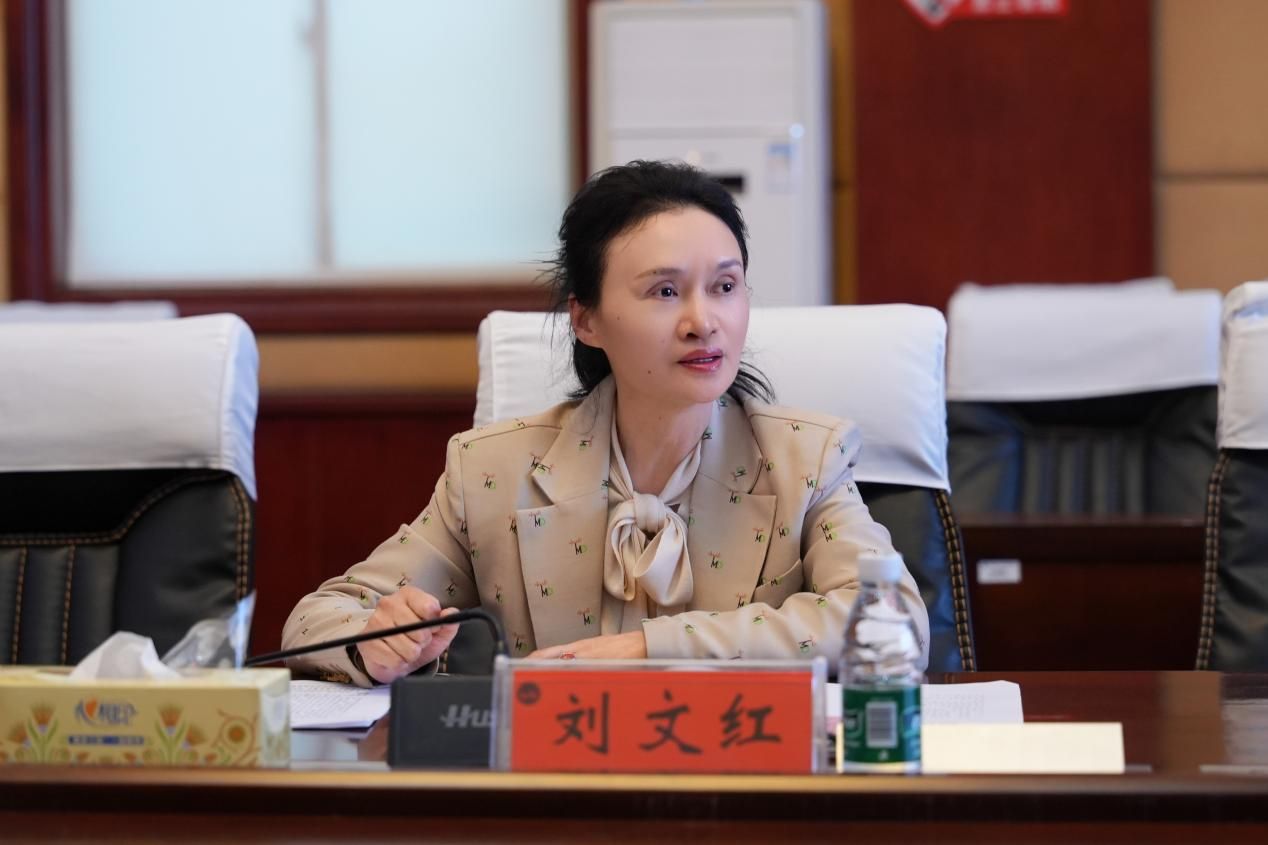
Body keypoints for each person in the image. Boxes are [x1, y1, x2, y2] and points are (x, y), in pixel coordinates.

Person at [282, 160, 929, 686]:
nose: (703, 321)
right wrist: (375, 644)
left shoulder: (805, 460)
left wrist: (650, 649)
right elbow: (315, 620)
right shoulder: (492, 473)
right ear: (586, 320)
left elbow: (894, 617)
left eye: (725, 287)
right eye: (665, 291)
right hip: (560, 787)